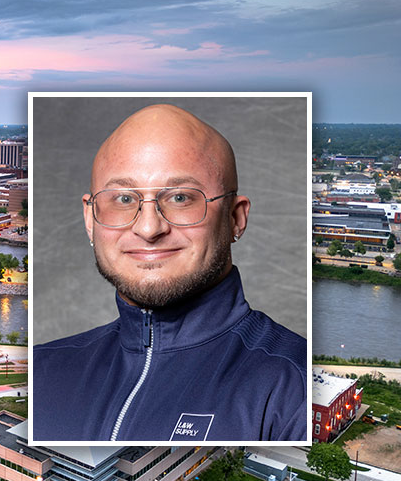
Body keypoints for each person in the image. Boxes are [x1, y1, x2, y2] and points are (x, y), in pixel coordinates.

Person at [32, 104, 306, 442]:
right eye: (122, 199)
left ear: (236, 218)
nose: (149, 228)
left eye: (180, 197)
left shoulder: (296, 391)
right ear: (90, 220)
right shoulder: (40, 370)